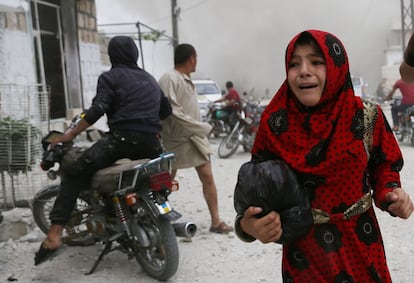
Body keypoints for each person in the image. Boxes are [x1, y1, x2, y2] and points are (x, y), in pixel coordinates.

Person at [234, 30, 414, 282]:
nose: (304, 70)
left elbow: (384, 167)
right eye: (294, 63)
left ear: (336, 67)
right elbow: (256, 191)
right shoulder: (275, 123)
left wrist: (391, 193)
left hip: (362, 246)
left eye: (317, 62)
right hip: (305, 258)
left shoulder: (365, 116)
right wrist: (248, 227)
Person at [34, 35, 172, 265]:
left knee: (74, 173)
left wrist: (70, 134)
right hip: (151, 143)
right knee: (153, 184)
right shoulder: (149, 79)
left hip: (121, 139)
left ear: (112, 55)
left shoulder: (110, 77)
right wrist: (149, 124)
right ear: (135, 54)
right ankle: (161, 243)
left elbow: (98, 108)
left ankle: (54, 235)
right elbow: (166, 111)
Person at [158, 43, 233, 234]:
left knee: (207, 176)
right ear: (191, 58)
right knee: (166, 180)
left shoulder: (187, 80)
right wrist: (200, 127)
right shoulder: (169, 78)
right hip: (175, 138)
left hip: (194, 138)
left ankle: (216, 222)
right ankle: (157, 219)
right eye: (196, 57)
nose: (196, 61)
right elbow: (172, 110)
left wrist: (198, 129)